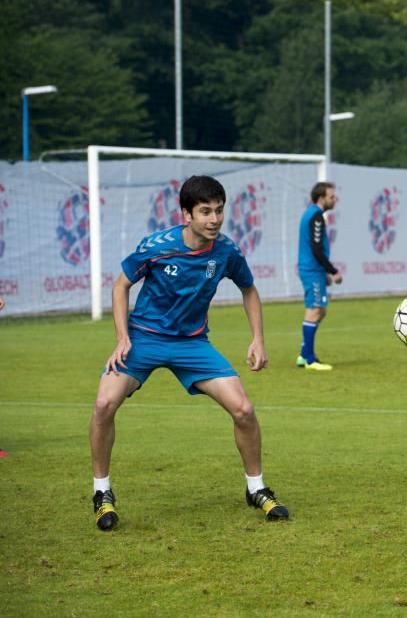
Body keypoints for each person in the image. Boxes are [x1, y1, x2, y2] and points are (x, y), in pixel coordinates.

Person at [89, 175, 289, 531]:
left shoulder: (227, 251)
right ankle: (101, 492)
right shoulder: (157, 246)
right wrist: (122, 338)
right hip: (144, 339)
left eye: (219, 211)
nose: (214, 219)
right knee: (104, 404)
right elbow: (121, 286)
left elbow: (249, 289)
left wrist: (258, 338)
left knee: (243, 409)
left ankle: (256, 488)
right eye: (205, 212)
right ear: (186, 214)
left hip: (193, 344)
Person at [296, 182, 342, 371]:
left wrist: (324, 273)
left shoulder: (312, 214)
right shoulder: (316, 216)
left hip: (314, 270)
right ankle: (309, 359)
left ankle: (303, 354)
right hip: (312, 270)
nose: (335, 199)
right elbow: (316, 248)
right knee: (315, 310)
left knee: (320, 311)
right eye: (331, 196)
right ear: (322, 198)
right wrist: (332, 270)